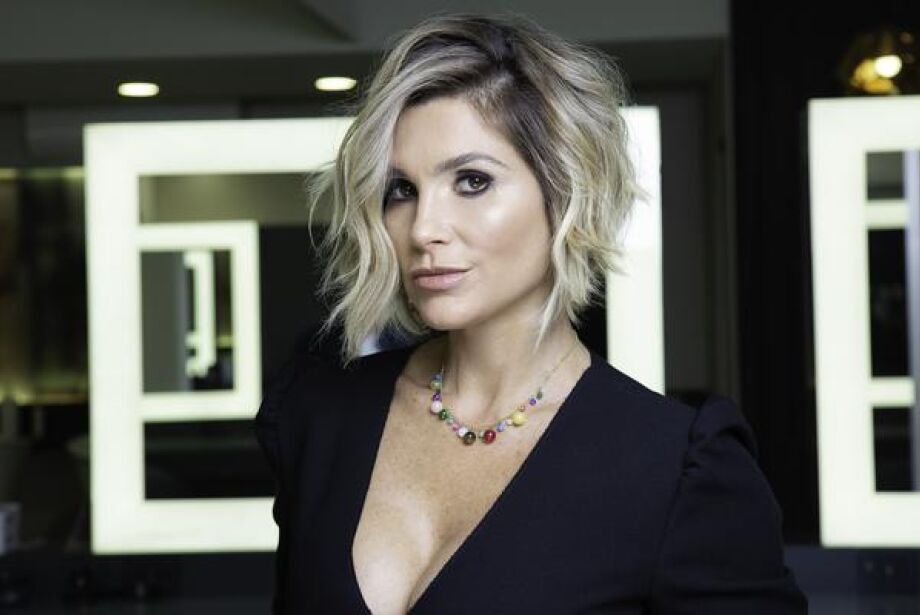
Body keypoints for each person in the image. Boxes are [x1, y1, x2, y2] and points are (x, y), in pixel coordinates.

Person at [254, 13, 808, 614]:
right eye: (401, 190)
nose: (423, 228)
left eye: (471, 181)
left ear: (565, 193)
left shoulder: (677, 471)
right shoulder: (321, 415)